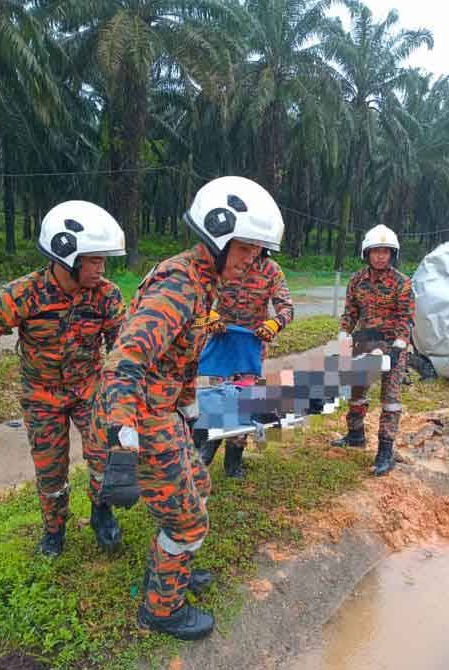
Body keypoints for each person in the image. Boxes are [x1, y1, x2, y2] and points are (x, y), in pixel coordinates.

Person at [91, 176, 285, 640]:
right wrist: (123, 438)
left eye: (257, 252)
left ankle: (172, 566)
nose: (251, 261)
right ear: (216, 237)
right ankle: (161, 609)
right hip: (141, 416)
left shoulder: (204, 282)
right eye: (245, 250)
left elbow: (175, 359)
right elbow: (124, 361)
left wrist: (187, 407)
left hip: (165, 412)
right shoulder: (180, 286)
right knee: (188, 519)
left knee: (198, 483)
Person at [0, 201, 126, 557]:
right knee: (50, 473)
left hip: (89, 392)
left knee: (105, 456)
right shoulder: (22, 294)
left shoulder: (107, 295)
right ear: (67, 256)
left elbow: (121, 348)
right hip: (41, 397)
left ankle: (101, 511)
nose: (102, 268)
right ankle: (54, 531)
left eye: (103, 260)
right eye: (94, 260)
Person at [198, 250, 294, 477]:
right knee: (218, 399)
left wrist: (274, 324)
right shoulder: (221, 264)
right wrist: (207, 316)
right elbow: (198, 299)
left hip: (252, 346)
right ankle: (208, 447)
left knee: (242, 402)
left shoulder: (271, 270)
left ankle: (234, 459)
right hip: (222, 344)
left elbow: (287, 309)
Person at [331, 224, 414, 476]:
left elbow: (406, 317)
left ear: (392, 254)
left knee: (390, 400)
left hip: (392, 347)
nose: (380, 256)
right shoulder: (357, 280)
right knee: (357, 391)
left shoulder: (402, 283)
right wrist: (343, 334)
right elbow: (350, 312)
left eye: (385, 251)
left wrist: (399, 346)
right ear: (366, 253)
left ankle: (385, 452)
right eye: (375, 251)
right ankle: (355, 434)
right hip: (365, 344)